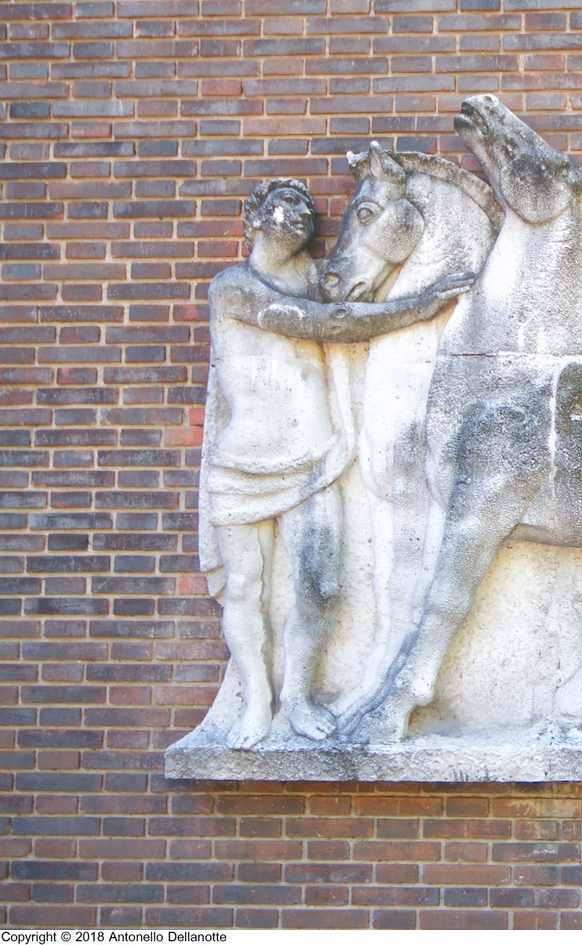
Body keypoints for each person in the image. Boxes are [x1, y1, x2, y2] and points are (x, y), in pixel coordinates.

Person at [199, 177, 472, 748]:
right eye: (284, 202)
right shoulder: (233, 288)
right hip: (243, 462)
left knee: (321, 587)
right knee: (245, 588)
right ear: (254, 218)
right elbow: (329, 324)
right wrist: (423, 305)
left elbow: (354, 292)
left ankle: (298, 697)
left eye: (306, 205)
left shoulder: (314, 282)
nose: (298, 212)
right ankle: (257, 700)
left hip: (314, 461)